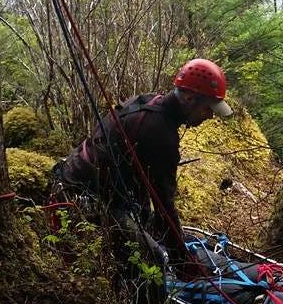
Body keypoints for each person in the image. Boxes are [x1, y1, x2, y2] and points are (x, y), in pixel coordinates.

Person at [51, 58, 232, 269]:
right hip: (83, 197)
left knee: (153, 231)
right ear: (190, 98)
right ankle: (149, 300)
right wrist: (183, 261)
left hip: (81, 179)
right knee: (154, 261)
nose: (210, 116)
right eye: (207, 108)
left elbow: (141, 180)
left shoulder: (152, 102)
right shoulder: (159, 133)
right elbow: (164, 205)